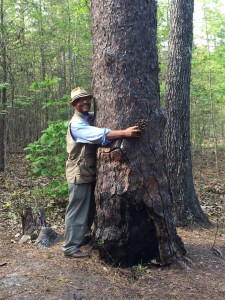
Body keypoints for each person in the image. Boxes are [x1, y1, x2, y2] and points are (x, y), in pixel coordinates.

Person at [63, 87, 141, 258]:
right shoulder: (77, 125)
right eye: (80, 100)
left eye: (86, 99)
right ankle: (70, 247)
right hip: (79, 173)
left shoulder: (88, 118)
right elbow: (99, 135)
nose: (84, 102)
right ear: (74, 104)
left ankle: (81, 237)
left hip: (88, 171)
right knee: (77, 210)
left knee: (90, 208)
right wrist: (124, 133)